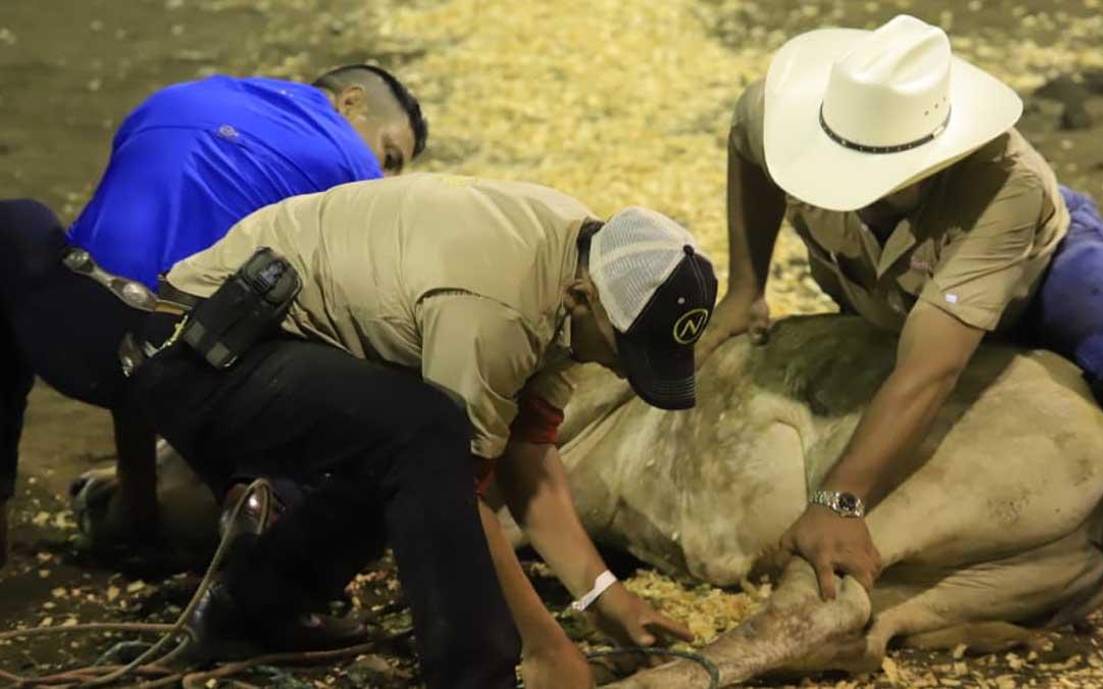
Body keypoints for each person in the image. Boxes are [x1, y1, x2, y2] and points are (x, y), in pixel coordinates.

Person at [130, 173, 716, 688]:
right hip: (203, 352)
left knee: (403, 438)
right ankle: (476, 677)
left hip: (264, 344)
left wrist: (604, 597)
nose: (619, 367)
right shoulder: (500, 307)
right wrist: (545, 646)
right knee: (424, 439)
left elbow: (528, 453)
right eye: (624, 350)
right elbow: (461, 492)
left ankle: (253, 613)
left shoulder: (576, 260)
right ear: (583, 299)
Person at [699, 15, 1103, 600]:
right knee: (887, 375)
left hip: (1033, 277)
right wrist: (745, 287)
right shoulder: (778, 114)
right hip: (878, 281)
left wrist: (837, 502)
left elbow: (931, 367)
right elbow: (746, 144)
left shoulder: (1007, 184)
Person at [0, 64, 428, 568]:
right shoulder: (353, 169)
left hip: (75, 327)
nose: (386, 174)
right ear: (351, 103)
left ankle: (68, 511)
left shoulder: (176, 97)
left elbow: (137, 289)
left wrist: (141, 506)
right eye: (391, 154)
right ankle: (265, 564)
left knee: (19, 223)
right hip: (189, 373)